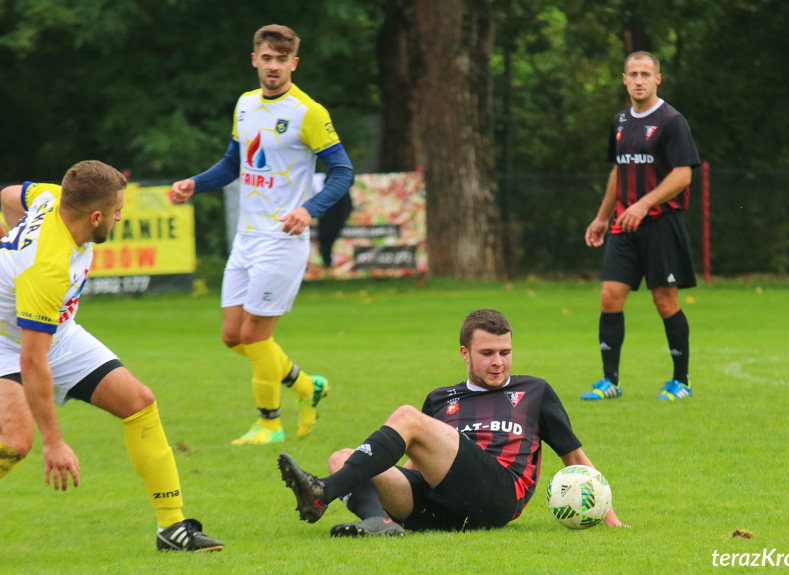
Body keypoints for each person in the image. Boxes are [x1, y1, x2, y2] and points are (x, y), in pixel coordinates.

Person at [0, 161, 224, 552]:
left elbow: (6, 195)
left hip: (57, 331)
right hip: (9, 342)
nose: (120, 217)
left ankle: (172, 529)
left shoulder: (54, 196)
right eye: (118, 212)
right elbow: (33, 361)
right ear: (96, 215)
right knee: (17, 443)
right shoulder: (46, 268)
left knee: (139, 403)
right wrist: (54, 442)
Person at [277, 309, 626, 536]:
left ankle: (323, 492)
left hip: (498, 495)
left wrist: (608, 515)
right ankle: (378, 521)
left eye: (505, 353)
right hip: (441, 503)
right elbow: (418, 464)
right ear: (465, 353)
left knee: (406, 417)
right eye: (487, 353)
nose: (498, 363)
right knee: (342, 457)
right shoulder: (442, 398)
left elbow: (574, 458)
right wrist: (385, 484)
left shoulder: (535, 391)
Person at [169, 24, 355, 443]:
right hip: (246, 238)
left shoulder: (309, 112)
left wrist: (310, 209)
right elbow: (233, 164)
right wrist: (194, 184)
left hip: (283, 239)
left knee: (255, 335)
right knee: (232, 337)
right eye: (266, 58)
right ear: (255, 59)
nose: (273, 66)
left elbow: (343, 172)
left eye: (281, 59)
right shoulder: (245, 105)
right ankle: (307, 386)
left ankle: (270, 423)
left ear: (294, 63)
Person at [582, 51, 701, 402]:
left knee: (665, 300)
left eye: (645, 74)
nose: (638, 80)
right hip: (623, 224)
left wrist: (644, 203)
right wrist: (603, 216)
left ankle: (681, 381)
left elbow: (683, 174)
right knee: (609, 296)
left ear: (657, 79)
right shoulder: (620, 121)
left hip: (661, 222)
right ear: (624, 79)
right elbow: (618, 171)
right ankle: (610, 382)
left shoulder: (671, 120)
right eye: (632, 74)